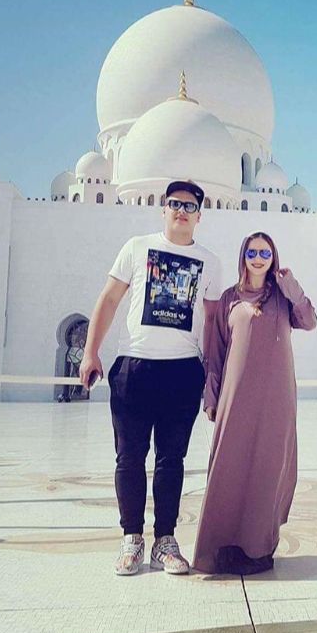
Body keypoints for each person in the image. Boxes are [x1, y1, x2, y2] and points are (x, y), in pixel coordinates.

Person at [80, 180, 222, 576]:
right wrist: (91, 351)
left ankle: (165, 541)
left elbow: (213, 321)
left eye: (189, 206)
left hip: (183, 370)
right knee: (129, 457)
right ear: (164, 209)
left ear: (199, 215)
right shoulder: (136, 247)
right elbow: (109, 299)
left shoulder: (209, 262)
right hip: (135, 368)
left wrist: (213, 372)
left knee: (171, 460)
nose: (181, 211)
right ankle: (131, 539)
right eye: (175, 203)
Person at [193, 231, 316, 575]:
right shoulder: (229, 299)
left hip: (276, 397)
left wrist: (293, 288)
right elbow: (216, 351)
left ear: (273, 257)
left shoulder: (282, 297)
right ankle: (224, 546)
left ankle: (258, 548)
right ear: (243, 257)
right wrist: (211, 396)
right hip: (237, 394)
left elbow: (309, 321)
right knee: (230, 467)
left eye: (265, 253)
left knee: (268, 468)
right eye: (252, 252)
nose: (258, 258)